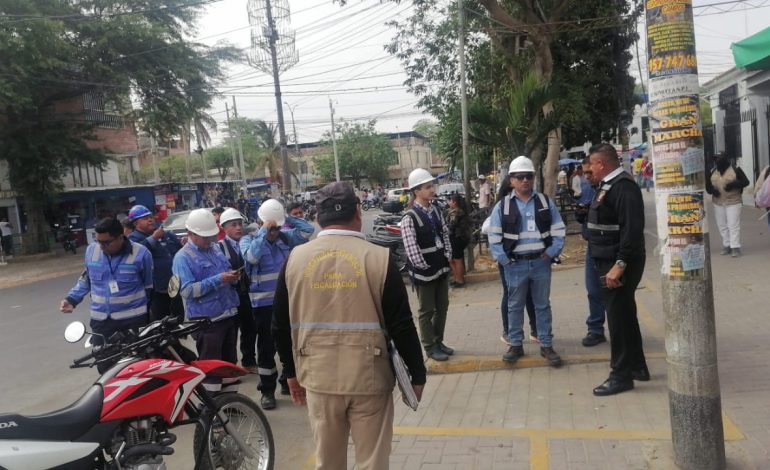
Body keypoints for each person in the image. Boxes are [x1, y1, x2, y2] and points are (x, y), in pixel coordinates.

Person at [273, 182, 426, 470]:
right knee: (373, 461)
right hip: (369, 377)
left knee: (328, 462)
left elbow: (280, 325)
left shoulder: (294, 261)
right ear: (358, 212)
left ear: (317, 218)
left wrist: (290, 374)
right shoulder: (379, 259)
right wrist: (417, 375)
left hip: (318, 379)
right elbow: (402, 326)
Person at [488, 156, 565, 367]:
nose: (525, 180)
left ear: (533, 178)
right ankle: (515, 344)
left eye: (528, 176)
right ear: (511, 180)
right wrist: (503, 260)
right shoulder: (502, 206)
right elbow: (493, 236)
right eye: (520, 177)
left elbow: (559, 229)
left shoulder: (544, 202)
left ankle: (546, 345)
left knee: (542, 305)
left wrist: (551, 252)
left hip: (541, 263)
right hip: (515, 265)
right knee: (514, 305)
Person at [586, 143, 649, 396]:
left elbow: (632, 231)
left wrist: (619, 265)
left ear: (601, 164)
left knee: (617, 318)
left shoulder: (624, 187)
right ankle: (637, 367)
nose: (589, 169)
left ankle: (620, 375)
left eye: (592, 164)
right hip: (607, 260)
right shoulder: (608, 186)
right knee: (625, 314)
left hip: (617, 264)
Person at [240, 198, 314, 410]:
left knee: (289, 344)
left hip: (286, 302)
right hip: (262, 306)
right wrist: (264, 230)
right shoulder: (248, 240)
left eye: (277, 228)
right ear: (261, 222)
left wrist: (285, 218)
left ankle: (286, 381)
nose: (275, 231)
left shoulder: (285, 237)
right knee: (266, 349)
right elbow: (252, 258)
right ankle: (267, 391)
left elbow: (308, 230)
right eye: (272, 227)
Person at [172, 209, 241, 394]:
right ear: (191, 234)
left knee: (229, 367)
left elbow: (225, 271)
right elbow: (186, 291)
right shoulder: (182, 258)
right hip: (207, 323)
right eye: (204, 237)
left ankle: (231, 406)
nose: (209, 240)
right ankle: (210, 412)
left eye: (211, 236)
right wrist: (218, 279)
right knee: (211, 370)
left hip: (227, 315)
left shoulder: (215, 248)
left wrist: (233, 277)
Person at [60, 218, 153, 354]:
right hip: (101, 323)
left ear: (121, 237)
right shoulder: (92, 251)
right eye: (98, 241)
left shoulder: (141, 253)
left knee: (135, 365)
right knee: (105, 365)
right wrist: (71, 299)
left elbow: (148, 286)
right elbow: (87, 280)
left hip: (132, 322)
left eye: (106, 242)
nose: (101, 246)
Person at [401, 168, 454, 362]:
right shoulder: (409, 217)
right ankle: (430, 347)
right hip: (425, 273)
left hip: (440, 268)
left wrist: (447, 254)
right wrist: (424, 265)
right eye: (427, 187)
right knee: (426, 310)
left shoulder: (435, 211)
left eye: (432, 186)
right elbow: (411, 247)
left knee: (443, 307)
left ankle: (439, 341)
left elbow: (445, 235)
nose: (432, 190)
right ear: (416, 191)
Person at [487, 175, 539, 346]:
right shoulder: (501, 207)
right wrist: (503, 258)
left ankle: (536, 330)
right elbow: (489, 231)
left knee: (532, 295)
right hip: (509, 260)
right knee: (511, 296)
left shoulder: (534, 203)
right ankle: (509, 331)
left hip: (529, 259)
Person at [126, 205, 184, 322]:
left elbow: (178, 250)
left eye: (151, 217)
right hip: (157, 289)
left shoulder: (164, 233)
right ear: (135, 223)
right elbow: (136, 254)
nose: (150, 220)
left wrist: (184, 244)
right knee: (162, 320)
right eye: (145, 218)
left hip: (174, 283)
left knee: (178, 316)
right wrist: (154, 238)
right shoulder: (133, 239)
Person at [574, 158, 606, 347]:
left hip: (610, 248)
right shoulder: (587, 189)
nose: (587, 176)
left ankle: (622, 329)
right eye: (584, 173)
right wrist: (581, 212)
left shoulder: (612, 189)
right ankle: (595, 329)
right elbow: (582, 218)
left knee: (613, 292)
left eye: (589, 172)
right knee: (593, 290)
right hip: (592, 245)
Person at [216, 208, 254, 372]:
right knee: (230, 333)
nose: (239, 227)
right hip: (231, 296)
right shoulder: (219, 247)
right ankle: (229, 366)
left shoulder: (248, 244)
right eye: (234, 225)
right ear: (224, 228)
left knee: (249, 329)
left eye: (240, 224)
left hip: (247, 295)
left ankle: (249, 361)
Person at [705, 153, 749, 257]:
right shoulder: (712, 171)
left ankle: (735, 247)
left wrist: (734, 184)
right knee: (722, 225)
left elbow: (746, 182)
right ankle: (726, 245)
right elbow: (708, 187)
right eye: (715, 159)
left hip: (733, 202)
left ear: (725, 159)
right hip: (718, 202)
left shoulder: (736, 170)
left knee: (733, 225)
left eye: (719, 159)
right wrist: (712, 191)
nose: (717, 161)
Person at [446, 194, 472, 288]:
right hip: (457, 238)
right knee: (453, 259)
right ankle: (457, 278)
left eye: (450, 201)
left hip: (457, 238)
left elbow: (451, 226)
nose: (448, 202)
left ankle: (460, 280)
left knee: (457, 260)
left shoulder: (456, 212)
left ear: (454, 202)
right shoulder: (457, 211)